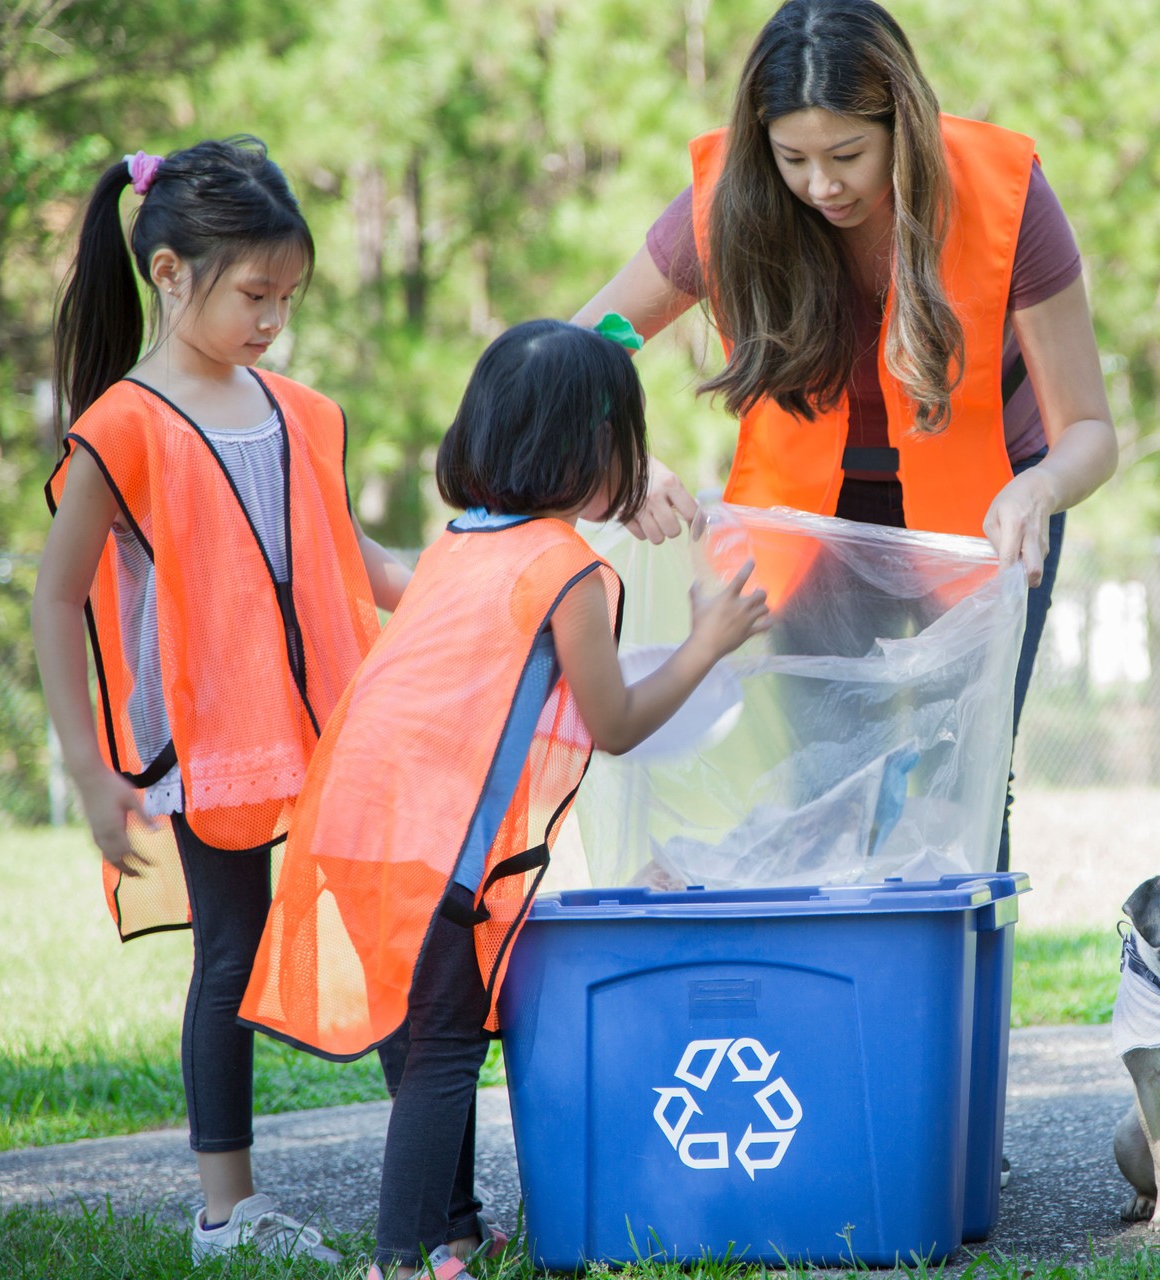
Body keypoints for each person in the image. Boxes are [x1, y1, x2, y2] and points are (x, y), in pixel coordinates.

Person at [238, 320, 771, 1279]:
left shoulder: (459, 545)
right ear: (597, 450)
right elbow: (612, 722)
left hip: (352, 825)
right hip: (435, 844)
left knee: (414, 1045)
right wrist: (707, 642)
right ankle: (402, 1261)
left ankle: (452, 1231)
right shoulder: (566, 569)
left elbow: (397, 597)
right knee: (444, 1050)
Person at [574, 0, 1118, 870]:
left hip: (987, 513)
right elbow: (587, 343)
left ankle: (953, 1003)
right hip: (810, 523)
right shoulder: (733, 204)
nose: (822, 185)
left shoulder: (1007, 194)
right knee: (823, 772)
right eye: (794, 158)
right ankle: (834, 1000)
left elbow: (1089, 430)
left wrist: (1041, 487)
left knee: (962, 778)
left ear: (902, 126)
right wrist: (618, 456)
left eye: (848, 155)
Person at [32, 137, 409, 1264]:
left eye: (288, 298)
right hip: (212, 736)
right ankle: (225, 1211)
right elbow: (55, 600)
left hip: (336, 721)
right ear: (171, 273)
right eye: (256, 293)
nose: (272, 320)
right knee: (232, 948)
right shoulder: (124, 426)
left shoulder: (301, 408)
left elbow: (354, 559)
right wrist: (93, 767)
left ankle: (431, 1188)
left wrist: (477, 565)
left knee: (393, 933)